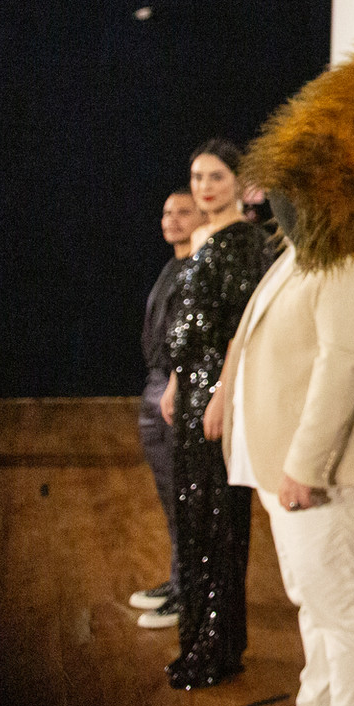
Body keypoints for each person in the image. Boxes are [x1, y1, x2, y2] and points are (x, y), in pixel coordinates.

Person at [203, 191, 354, 706]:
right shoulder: (301, 249)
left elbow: (344, 362)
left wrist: (307, 467)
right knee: (314, 600)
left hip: (322, 477)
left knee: (343, 607)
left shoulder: (352, 253)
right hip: (281, 467)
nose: (269, 195)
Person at [161, 138, 270, 689]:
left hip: (216, 396)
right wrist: (179, 381)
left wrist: (223, 390)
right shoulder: (204, 237)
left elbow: (243, 327)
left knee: (217, 523)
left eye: (216, 177)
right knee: (192, 520)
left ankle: (216, 647)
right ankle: (200, 639)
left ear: (236, 183)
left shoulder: (245, 241)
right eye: (197, 176)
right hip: (192, 391)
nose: (204, 186)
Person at [129, 189, 204, 629]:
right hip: (155, 386)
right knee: (171, 497)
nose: (171, 219)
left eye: (183, 212)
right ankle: (178, 582)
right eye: (166, 212)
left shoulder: (198, 271)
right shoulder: (172, 267)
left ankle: (190, 592)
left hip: (178, 392)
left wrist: (176, 383)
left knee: (187, 497)